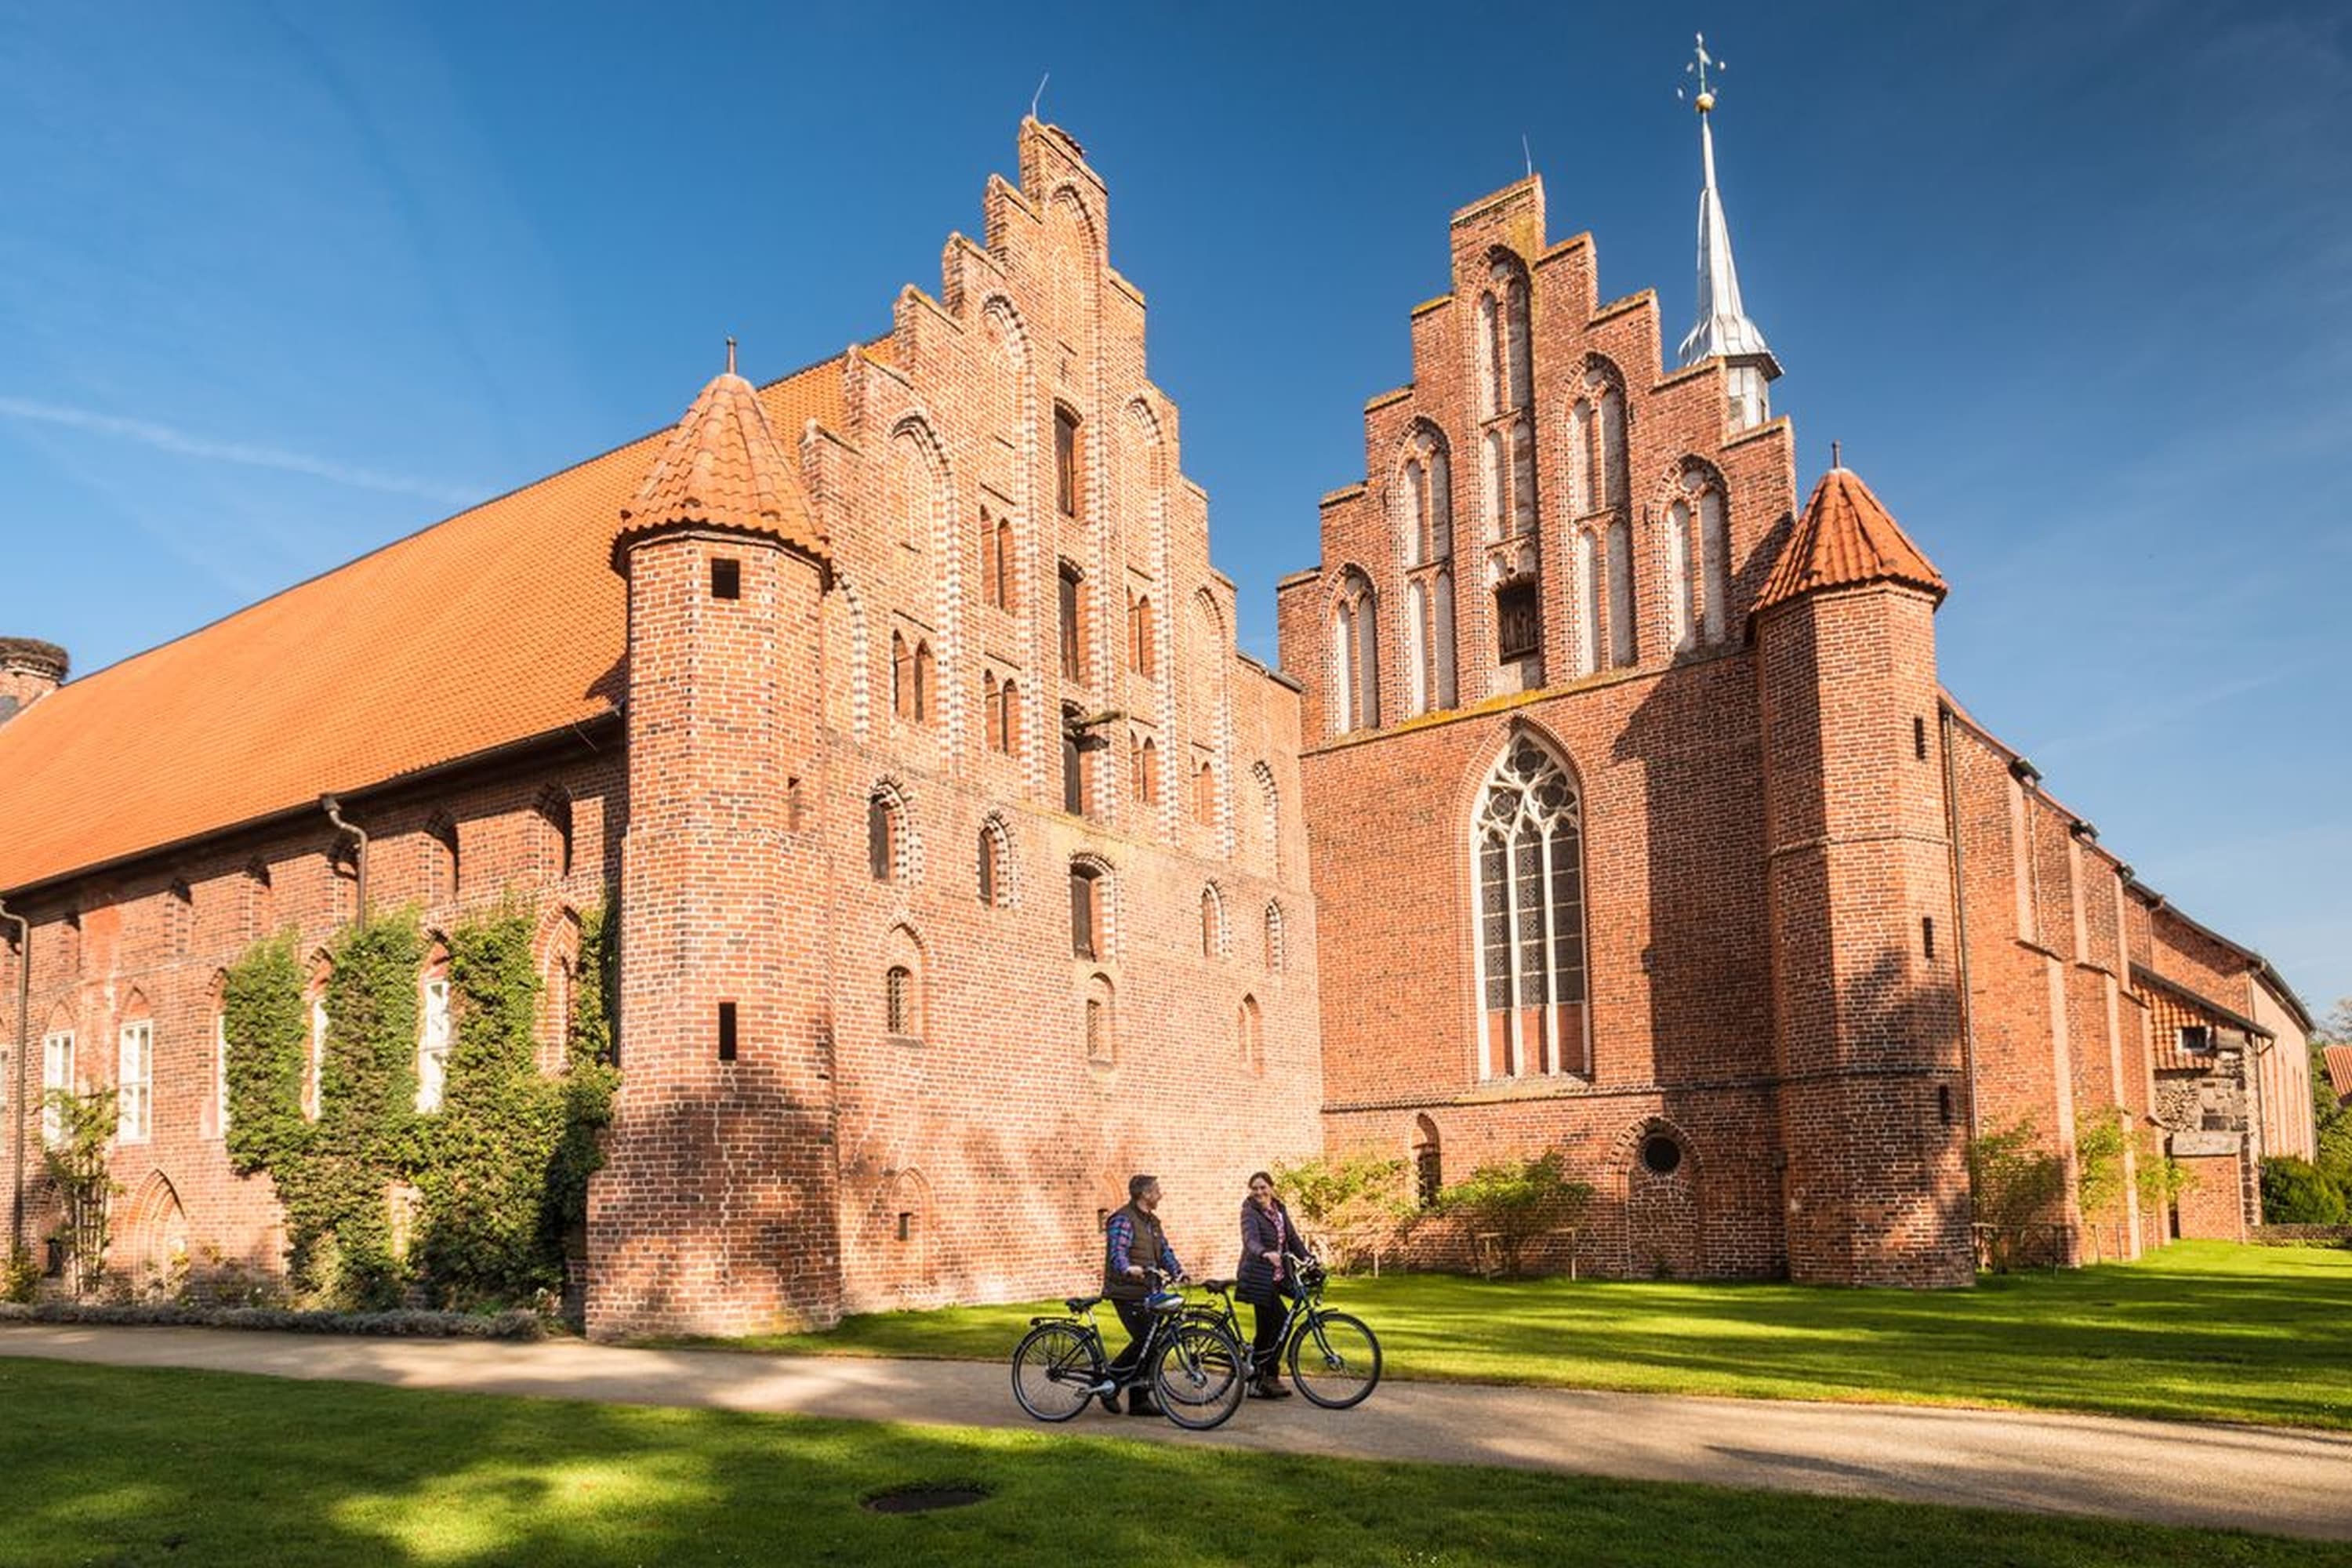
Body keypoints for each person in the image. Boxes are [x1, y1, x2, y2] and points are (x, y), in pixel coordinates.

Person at [1102, 1172, 1185, 1415]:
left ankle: (1139, 1399)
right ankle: (1109, 1382)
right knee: (1145, 1339)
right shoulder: (1123, 1220)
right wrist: (1127, 1268)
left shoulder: (1153, 1222)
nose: (1161, 1194)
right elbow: (1118, 1252)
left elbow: (1164, 1251)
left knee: (1153, 1342)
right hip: (1126, 1291)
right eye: (1157, 1190)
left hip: (1148, 1290)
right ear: (1145, 1194)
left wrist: (1177, 1271)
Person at [1237, 1169, 1310, 1398]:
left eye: (1263, 1187)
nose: (1259, 1192)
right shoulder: (1249, 1213)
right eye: (1255, 1188)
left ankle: (1261, 1376)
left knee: (1274, 1325)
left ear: (1271, 1188)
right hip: (1259, 1275)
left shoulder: (1280, 1210)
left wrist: (1308, 1258)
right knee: (1278, 1321)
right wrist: (1265, 1253)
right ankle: (1265, 1377)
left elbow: (1292, 1238)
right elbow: (1250, 1240)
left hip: (1279, 1275)